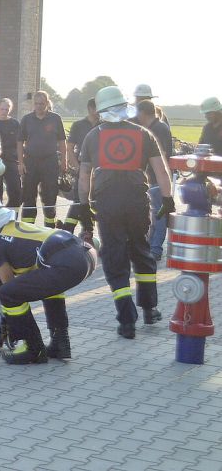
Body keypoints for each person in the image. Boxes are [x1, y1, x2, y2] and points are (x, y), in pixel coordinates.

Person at [78, 85, 174, 339]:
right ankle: (150, 308)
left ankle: (126, 320)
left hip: (107, 204)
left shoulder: (92, 136)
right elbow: (162, 171)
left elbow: (85, 175)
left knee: (114, 258)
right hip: (138, 203)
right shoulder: (144, 134)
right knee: (142, 252)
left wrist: (83, 206)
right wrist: (168, 200)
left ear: (100, 111)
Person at [0, 197, 98, 363]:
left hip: (67, 261)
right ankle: (60, 343)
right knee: (48, 286)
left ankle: (33, 349)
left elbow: (9, 286)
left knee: (8, 293)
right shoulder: (16, 228)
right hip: (85, 254)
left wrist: (10, 322)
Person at [17, 91, 67, 228]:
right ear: (33, 104)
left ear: (47, 103)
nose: (39, 106)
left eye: (42, 104)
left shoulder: (55, 119)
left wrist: (64, 161)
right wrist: (20, 163)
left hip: (50, 162)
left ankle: (49, 229)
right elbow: (20, 142)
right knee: (28, 196)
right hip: (30, 162)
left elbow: (62, 141)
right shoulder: (26, 119)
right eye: (36, 104)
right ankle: (28, 229)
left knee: (50, 196)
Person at [136, 99, 174, 261]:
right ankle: (151, 245)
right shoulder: (151, 128)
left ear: (143, 113)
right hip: (151, 177)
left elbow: (162, 155)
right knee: (152, 214)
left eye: (138, 113)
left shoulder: (160, 128)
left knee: (159, 214)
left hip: (158, 179)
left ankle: (156, 248)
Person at [61, 98, 101, 244]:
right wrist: (77, 167)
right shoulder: (78, 125)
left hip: (100, 172)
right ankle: (77, 231)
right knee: (80, 201)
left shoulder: (104, 125)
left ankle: (72, 230)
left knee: (94, 204)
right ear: (90, 108)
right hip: (83, 170)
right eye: (98, 108)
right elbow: (69, 147)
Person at [0, 98, 22, 208]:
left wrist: (21, 161)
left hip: (12, 161)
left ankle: (12, 216)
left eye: (7, 109)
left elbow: (20, 144)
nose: (4, 111)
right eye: (2, 109)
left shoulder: (15, 124)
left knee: (16, 190)